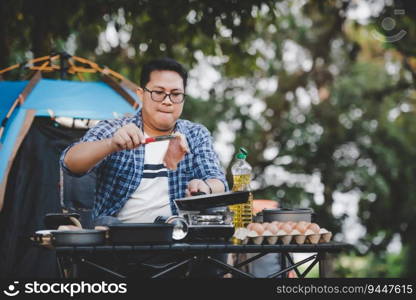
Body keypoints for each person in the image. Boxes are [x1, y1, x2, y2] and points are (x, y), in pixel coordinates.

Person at [59, 57, 228, 277]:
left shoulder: (195, 134)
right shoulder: (117, 128)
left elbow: (218, 182)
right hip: (121, 244)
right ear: (141, 94)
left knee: (216, 219)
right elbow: (70, 162)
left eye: (176, 94)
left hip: (179, 242)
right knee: (104, 224)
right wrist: (111, 144)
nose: (167, 101)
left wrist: (204, 188)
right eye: (158, 92)